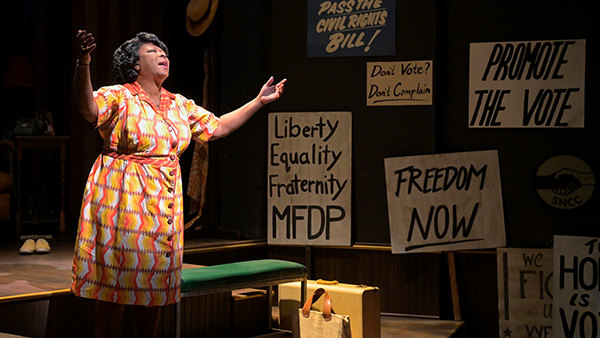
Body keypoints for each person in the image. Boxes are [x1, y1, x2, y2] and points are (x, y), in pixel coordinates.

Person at [71, 30, 286, 337]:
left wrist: (258, 102)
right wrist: (84, 61)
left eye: (165, 52)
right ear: (134, 65)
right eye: (152, 52)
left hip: (163, 200)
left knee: (155, 277)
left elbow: (219, 127)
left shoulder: (179, 105)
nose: (163, 56)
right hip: (122, 196)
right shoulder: (119, 95)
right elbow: (87, 108)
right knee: (116, 279)